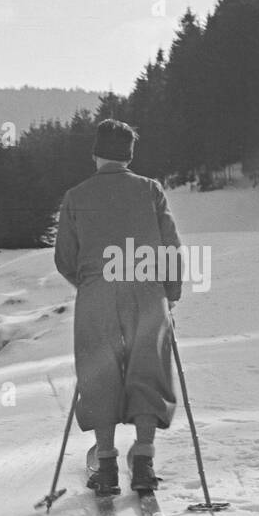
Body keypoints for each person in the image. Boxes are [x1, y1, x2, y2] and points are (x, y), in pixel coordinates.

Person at [53, 119, 183, 495]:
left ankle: (106, 464)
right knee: (149, 369)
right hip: (147, 291)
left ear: (95, 153)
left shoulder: (76, 196)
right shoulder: (150, 191)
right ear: (129, 155)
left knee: (99, 373)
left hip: (97, 293)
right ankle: (143, 459)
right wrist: (168, 294)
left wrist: (92, 285)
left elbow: (65, 258)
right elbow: (171, 248)